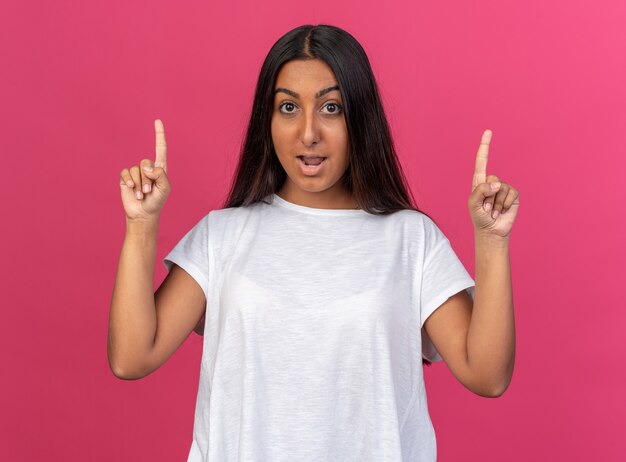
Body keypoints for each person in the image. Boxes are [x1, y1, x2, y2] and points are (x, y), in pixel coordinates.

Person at [108, 24, 519, 462]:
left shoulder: (411, 240)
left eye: (331, 107)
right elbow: (132, 357)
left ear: (360, 117)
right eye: (288, 107)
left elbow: (487, 375)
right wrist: (141, 227)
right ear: (267, 121)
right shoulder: (222, 236)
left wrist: (491, 242)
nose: (308, 132)